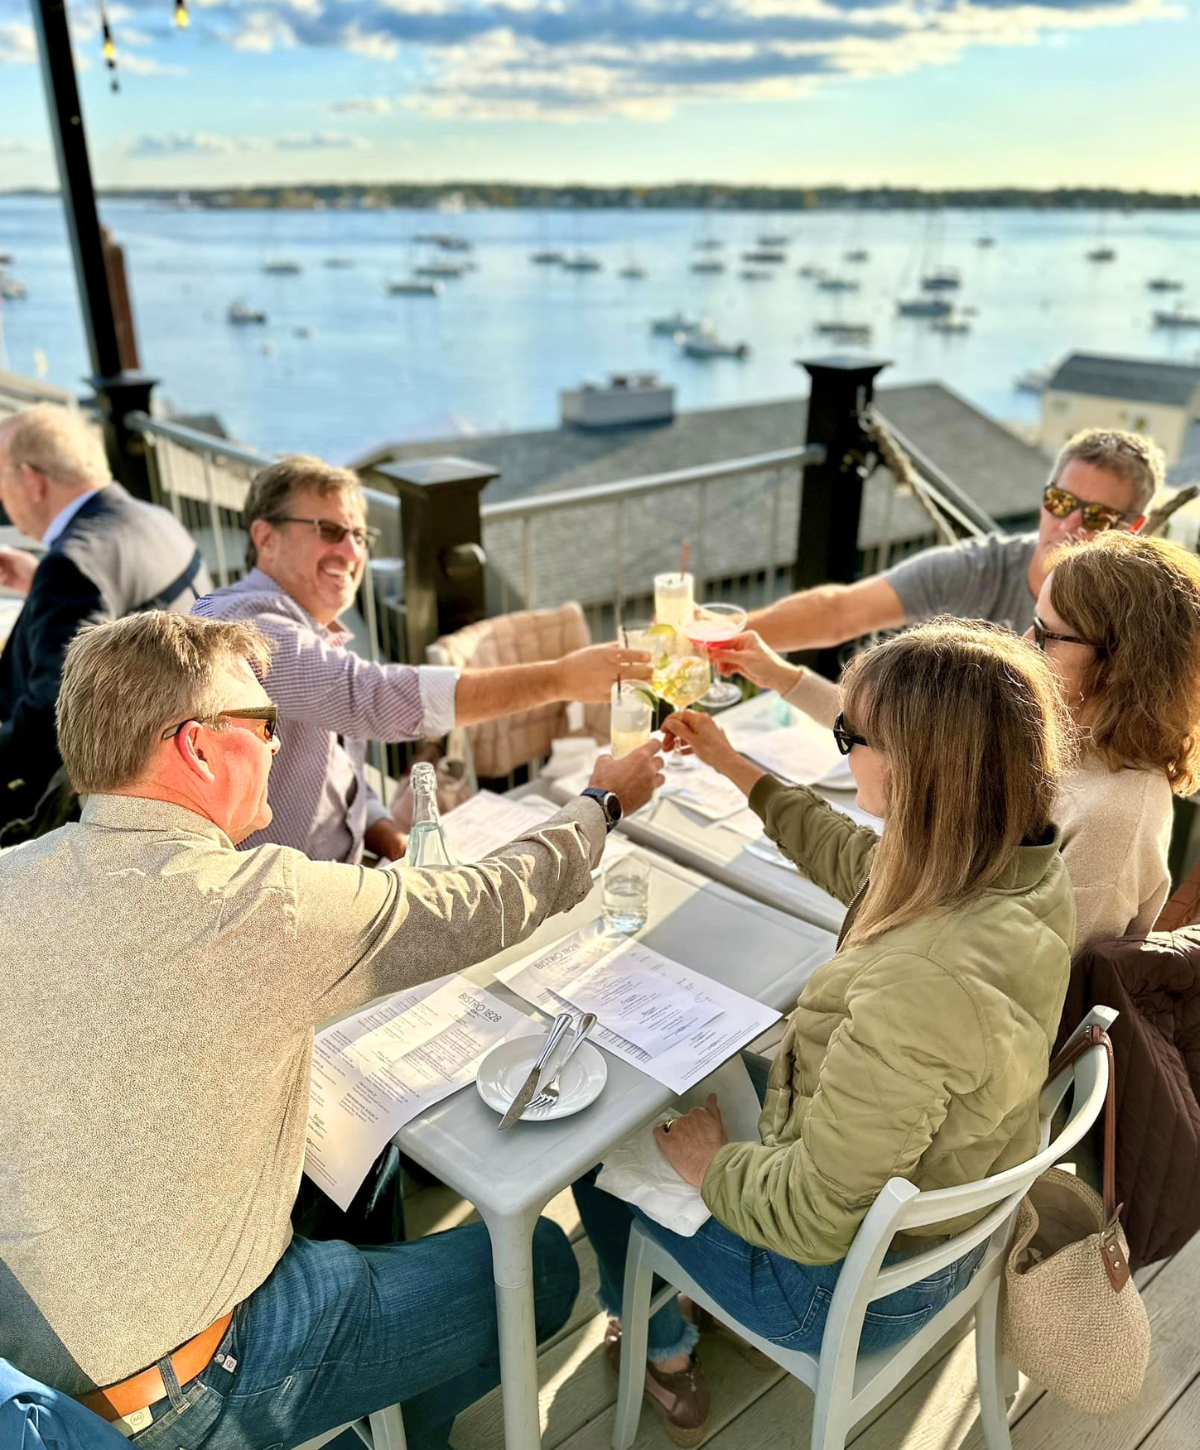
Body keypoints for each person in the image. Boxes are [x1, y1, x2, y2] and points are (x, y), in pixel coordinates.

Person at [0, 610, 663, 1450]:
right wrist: (601, 802)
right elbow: (484, 903)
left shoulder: (9, 881)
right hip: (190, 1385)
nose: (279, 746)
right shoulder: (251, 902)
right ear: (197, 746)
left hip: (29, 1379)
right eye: (265, 724)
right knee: (542, 1270)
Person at [574, 621, 1074, 1441]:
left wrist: (708, 1166)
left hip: (841, 1286)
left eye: (851, 733)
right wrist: (739, 768)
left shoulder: (927, 979)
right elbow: (856, 860)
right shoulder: (1017, 867)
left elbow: (811, 1219)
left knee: (599, 1148)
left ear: (917, 768)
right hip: (935, 1214)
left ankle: (661, 1344)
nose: (842, 748)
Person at [714, 530, 1200, 950]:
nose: (1024, 642)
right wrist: (778, 676)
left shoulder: (1115, 817)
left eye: (1048, 635)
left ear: (1121, 666)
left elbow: (1044, 994)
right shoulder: (1068, 733)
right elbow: (901, 733)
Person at [195, 455, 650, 864]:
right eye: (329, 531)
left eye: (359, 535)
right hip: (283, 913)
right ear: (265, 538)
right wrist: (561, 678)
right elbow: (371, 698)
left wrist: (382, 829)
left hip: (334, 876)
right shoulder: (244, 629)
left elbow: (324, 766)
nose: (352, 553)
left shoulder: (300, 628)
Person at [744, 428, 1162, 652]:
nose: (1070, 524)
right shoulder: (979, 570)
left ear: (1132, 527)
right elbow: (839, 613)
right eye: (1060, 500)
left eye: (1098, 515)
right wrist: (721, 632)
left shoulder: (1143, 619)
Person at [0, 405, 210, 834]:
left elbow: (51, 717)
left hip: (100, 802)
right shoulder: (155, 519)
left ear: (32, 480)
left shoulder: (73, 564)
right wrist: (41, 584)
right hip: (183, 751)